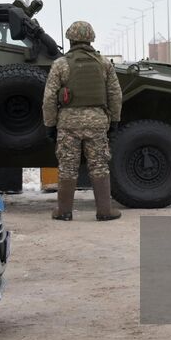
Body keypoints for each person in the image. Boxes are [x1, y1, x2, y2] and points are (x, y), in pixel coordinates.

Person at [42, 20, 123, 221]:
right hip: (97, 123)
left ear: (70, 40)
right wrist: (114, 122)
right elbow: (115, 95)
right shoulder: (104, 63)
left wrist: (50, 124)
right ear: (91, 39)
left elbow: (49, 98)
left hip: (68, 124)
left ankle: (64, 211)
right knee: (99, 165)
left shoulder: (61, 64)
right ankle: (105, 211)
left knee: (68, 167)